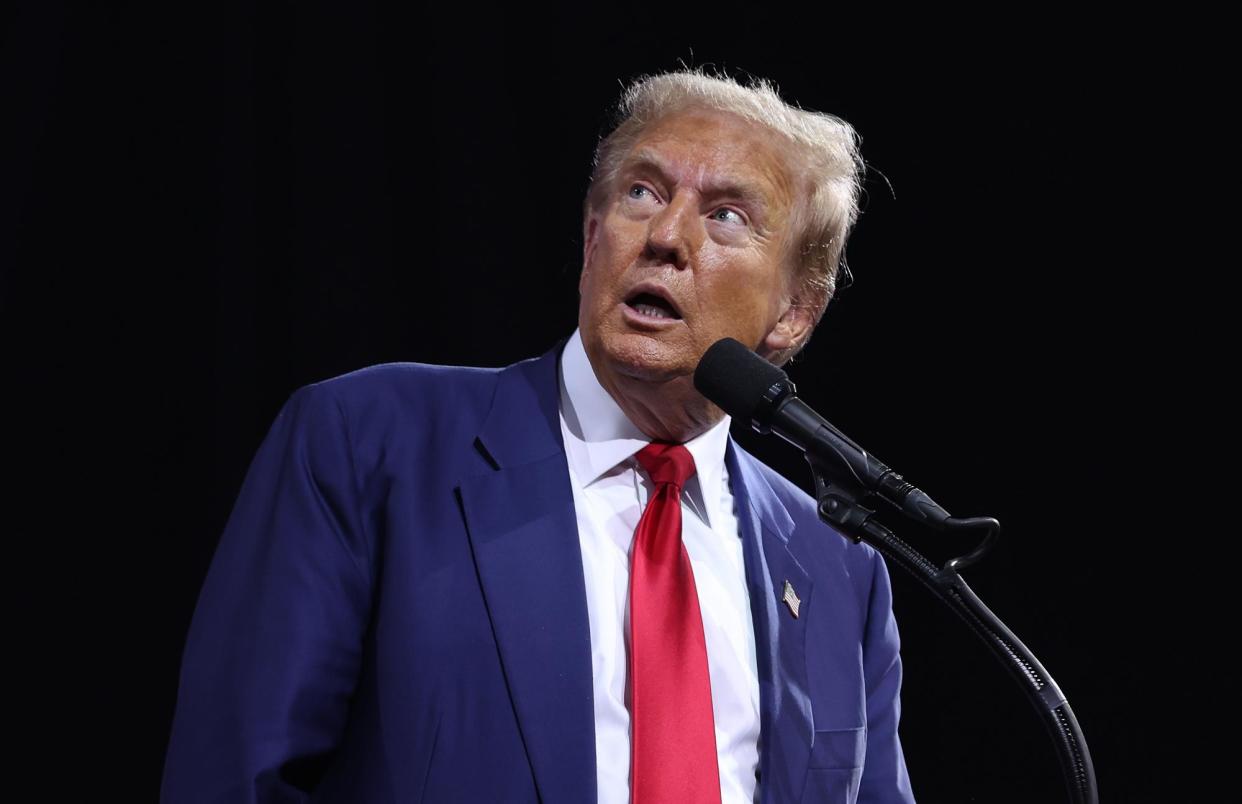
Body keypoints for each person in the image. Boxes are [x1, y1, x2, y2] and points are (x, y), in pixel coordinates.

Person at [162, 69, 916, 804]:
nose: (665, 235)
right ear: (593, 240)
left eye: (726, 215)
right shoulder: (370, 443)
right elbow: (236, 777)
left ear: (795, 314)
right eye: (642, 193)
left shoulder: (837, 570)